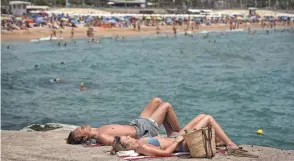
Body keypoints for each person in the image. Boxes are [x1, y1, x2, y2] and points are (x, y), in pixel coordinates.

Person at [111, 114, 239, 157]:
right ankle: (230, 144)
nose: (129, 136)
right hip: (182, 144)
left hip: (176, 138)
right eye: (127, 139)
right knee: (208, 119)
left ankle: (221, 142)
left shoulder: (140, 142)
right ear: (127, 147)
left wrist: (167, 138)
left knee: (202, 116)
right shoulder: (141, 148)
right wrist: (177, 141)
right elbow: (166, 153)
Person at [66, 98, 181, 146]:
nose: (82, 126)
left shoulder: (98, 129)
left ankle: (170, 132)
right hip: (143, 130)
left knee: (157, 101)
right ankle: (181, 133)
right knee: (166, 106)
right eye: (81, 129)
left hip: (136, 123)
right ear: (84, 138)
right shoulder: (102, 136)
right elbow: (120, 143)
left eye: (80, 127)